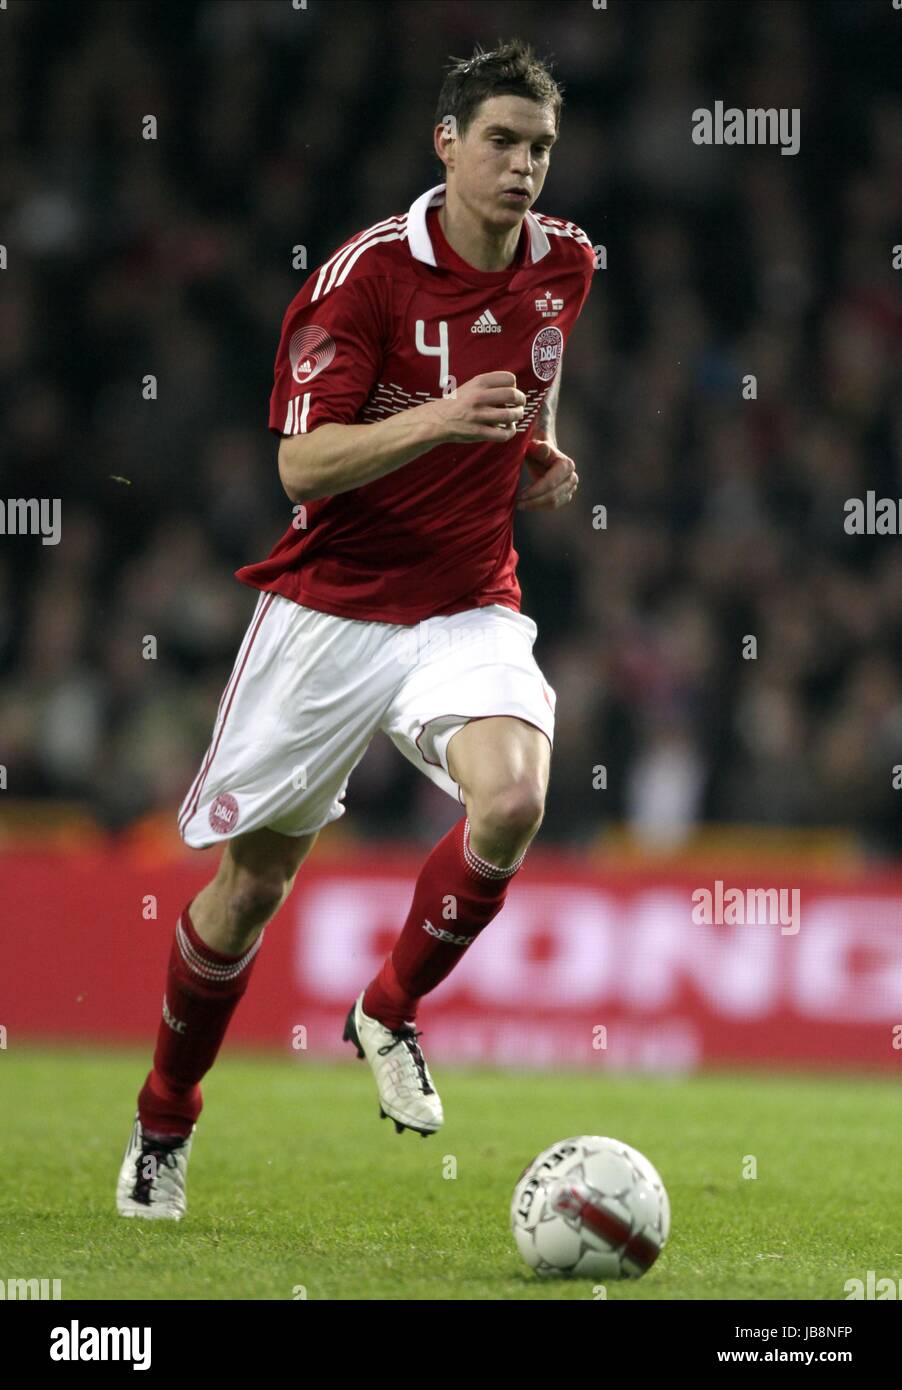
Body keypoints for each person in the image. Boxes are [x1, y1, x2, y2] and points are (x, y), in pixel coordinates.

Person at [117, 38, 595, 1220]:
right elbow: (302, 459)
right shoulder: (363, 278)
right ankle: (164, 1121)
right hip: (330, 611)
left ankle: (386, 1007)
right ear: (445, 143)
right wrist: (440, 422)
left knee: (514, 799)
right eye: (499, 141)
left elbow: (533, 373)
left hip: (467, 601)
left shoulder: (567, 264)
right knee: (249, 890)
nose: (522, 167)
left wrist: (534, 450)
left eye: (538, 146)